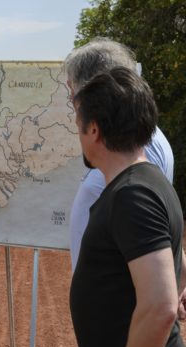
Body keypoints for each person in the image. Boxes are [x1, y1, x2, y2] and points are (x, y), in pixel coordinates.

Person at [69, 66, 186, 347]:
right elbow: (177, 262)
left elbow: (161, 308)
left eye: (79, 123)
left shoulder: (132, 195)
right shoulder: (148, 182)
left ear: (93, 129)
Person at [64, 38, 174, 271]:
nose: (73, 104)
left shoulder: (127, 177)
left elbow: (157, 297)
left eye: (73, 93)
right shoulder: (143, 142)